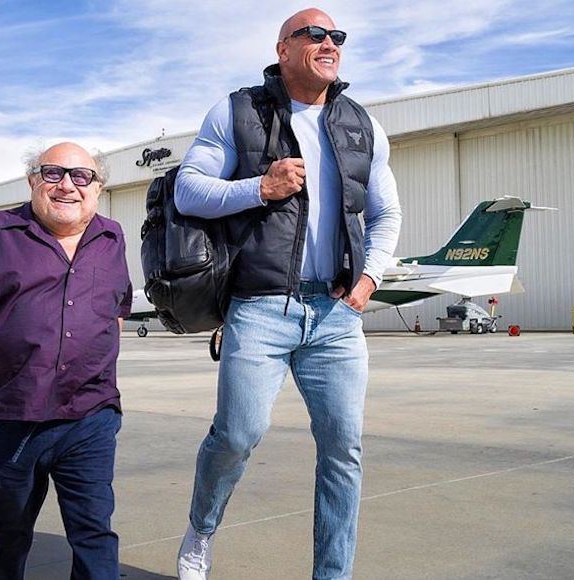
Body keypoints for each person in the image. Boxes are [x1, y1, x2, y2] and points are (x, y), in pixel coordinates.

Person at [173, 8, 402, 580]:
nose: (330, 43)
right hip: (260, 307)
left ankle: (333, 574)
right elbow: (188, 190)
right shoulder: (237, 111)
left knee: (344, 450)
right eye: (315, 34)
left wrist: (369, 278)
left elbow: (386, 213)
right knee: (237, 435)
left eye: (337, 36)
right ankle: (201, 530)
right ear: (283, 48)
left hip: (336, 314)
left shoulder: (361, 124)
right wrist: (261, 187)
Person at [0, 142, 133, 579]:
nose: (67, 185)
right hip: (15, 415)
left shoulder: (112, 237)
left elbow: (116, 308)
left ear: (97, 187)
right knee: (0, 537)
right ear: (33, 181)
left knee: (95, 534)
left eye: (81, 176)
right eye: (53, 173)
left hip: (90, 415)